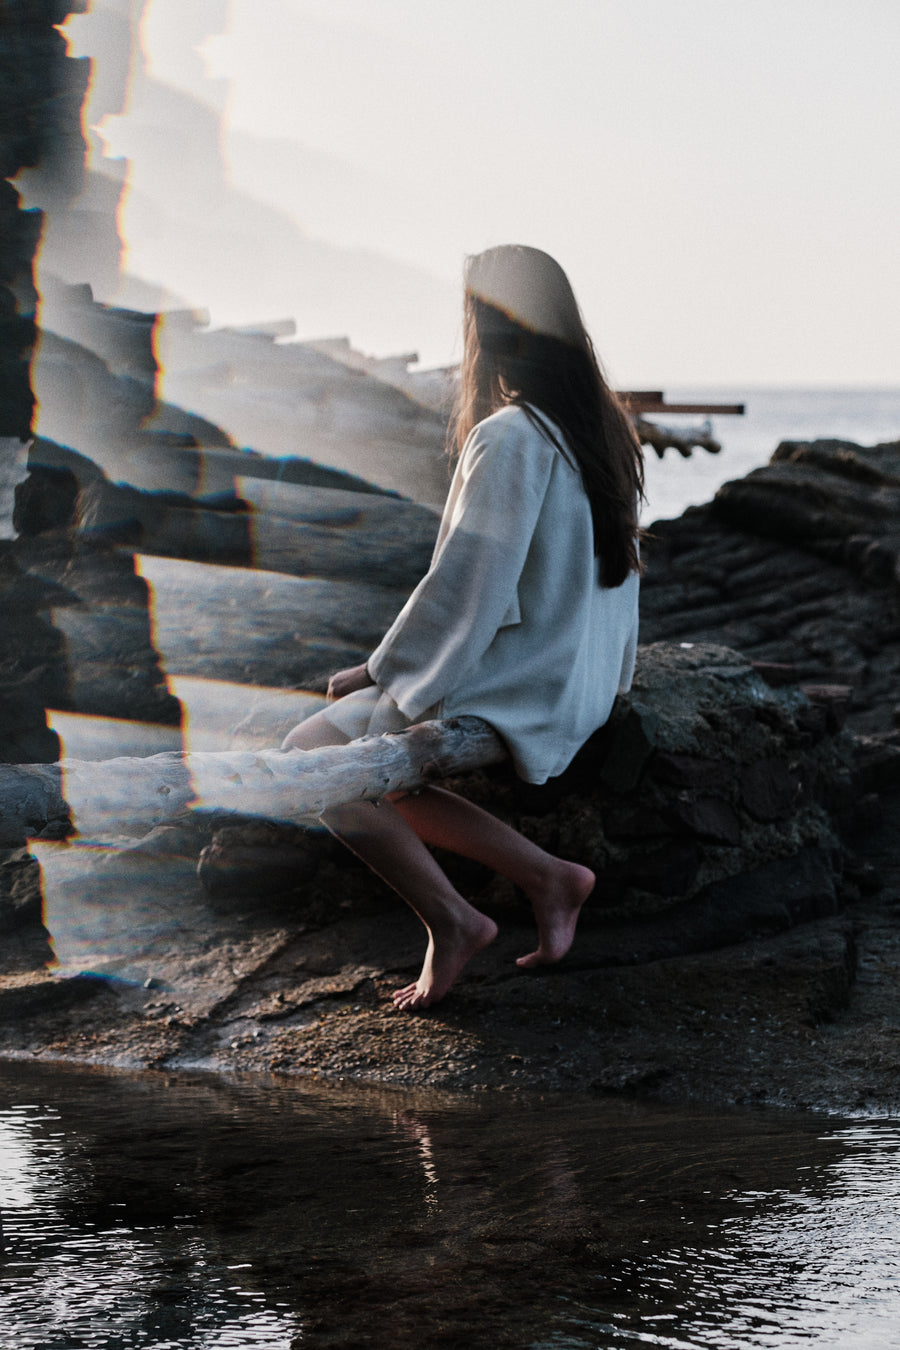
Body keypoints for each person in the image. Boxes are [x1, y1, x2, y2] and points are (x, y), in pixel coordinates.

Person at [283, 244, 644, 1011]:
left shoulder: (512, 435)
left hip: (529, 679)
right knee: (375, 763)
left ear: (488, 324)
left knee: (311, 754)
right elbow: (621, 579)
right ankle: (549, 876)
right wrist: (613, 678)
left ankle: (453, 920)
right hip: (574, 679)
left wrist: (388, 671)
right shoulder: (600, 429)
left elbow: (467, 584)